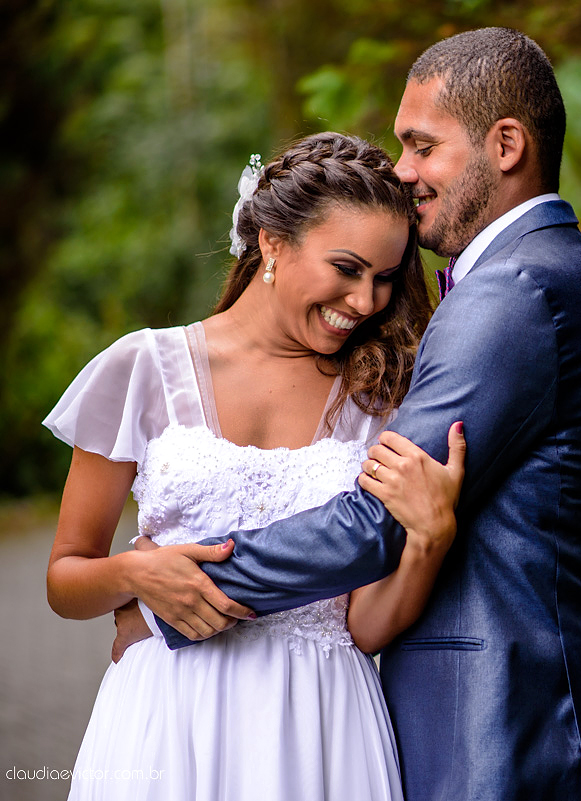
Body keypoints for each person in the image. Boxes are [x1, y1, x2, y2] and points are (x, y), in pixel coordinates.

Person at [141, 28, 581, 799]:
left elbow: (376, 519)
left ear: (507, 143)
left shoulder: (514, 289)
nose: (403, 170)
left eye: (421, 145)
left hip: (519, 724)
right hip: (511, 714)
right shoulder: (544, 271)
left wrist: (176, 590)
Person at [44, 131, 465, 801]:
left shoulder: (379, 400)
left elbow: (363, 624)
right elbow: (65, 579)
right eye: (348, 267)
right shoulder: (143, 369)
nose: (366, 301)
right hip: (169, 719)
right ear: (272, 241)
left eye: (385, 278)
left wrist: (429, 539)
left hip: (322, 725)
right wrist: (136, 575)